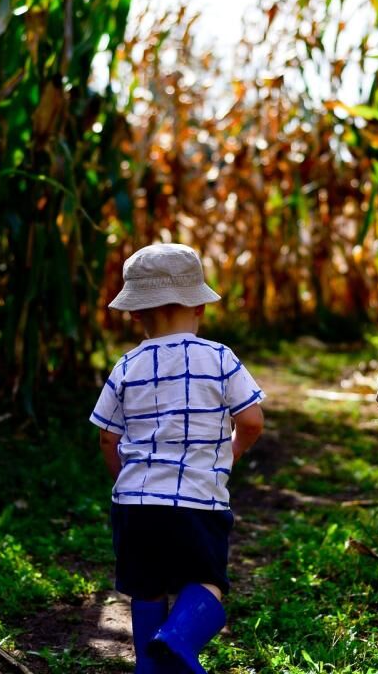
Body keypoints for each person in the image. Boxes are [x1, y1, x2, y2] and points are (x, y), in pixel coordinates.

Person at [91, 242, 266, 674]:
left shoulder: (126, 365)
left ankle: (149, 666)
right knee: (207, 580)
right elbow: (253, 420)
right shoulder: (221, 358)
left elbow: (107, 438)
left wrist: (124, 481)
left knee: (146, 588)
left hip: (135, 506)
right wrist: (233, 450)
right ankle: (179, 637)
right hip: (198, 502)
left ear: (135, 314)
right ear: (199, 308)